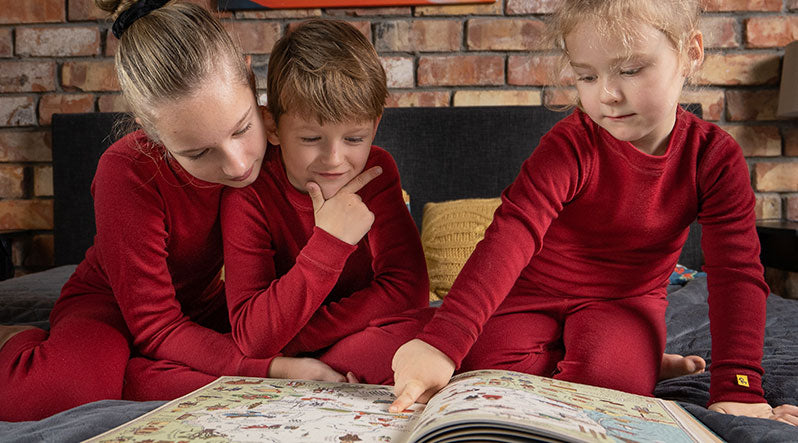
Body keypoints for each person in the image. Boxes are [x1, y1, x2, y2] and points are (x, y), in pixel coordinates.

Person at [389, 0, 798, 425]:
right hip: (533, 294)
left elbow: (736, 273)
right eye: (587, 75)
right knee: (481, 369)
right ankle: (639, 360)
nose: (607, 94)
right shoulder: (569, 145)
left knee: (606, 384)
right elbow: (511, 234)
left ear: (690, 53)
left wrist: (739, 387)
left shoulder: (712, 157)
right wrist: (443, 342)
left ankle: (633, 358)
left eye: (631, 70)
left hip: (625, 300)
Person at [0, 1, 340, 422]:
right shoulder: (126, 171)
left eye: (241, 129)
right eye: (198, 152)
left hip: (203, 305)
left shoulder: (284, 144)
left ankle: (141, 374)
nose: (236, 165)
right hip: (116, 307)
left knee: (325, 345)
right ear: (154, 135)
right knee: (68, 389)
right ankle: (17, 345)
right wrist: (269, 371)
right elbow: (156, 324)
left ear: (253, 89)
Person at [220, 19, 431, 385]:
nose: (334, 159)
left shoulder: (378, 171)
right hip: (282, 341)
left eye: (353, 138)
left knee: (448, 329)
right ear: (272, 127)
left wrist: (295, 343)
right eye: (311, 138)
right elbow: (253, 336)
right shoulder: (249, 192)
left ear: (375, 127)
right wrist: (329, 245)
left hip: (316, 340)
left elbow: (408, 291)